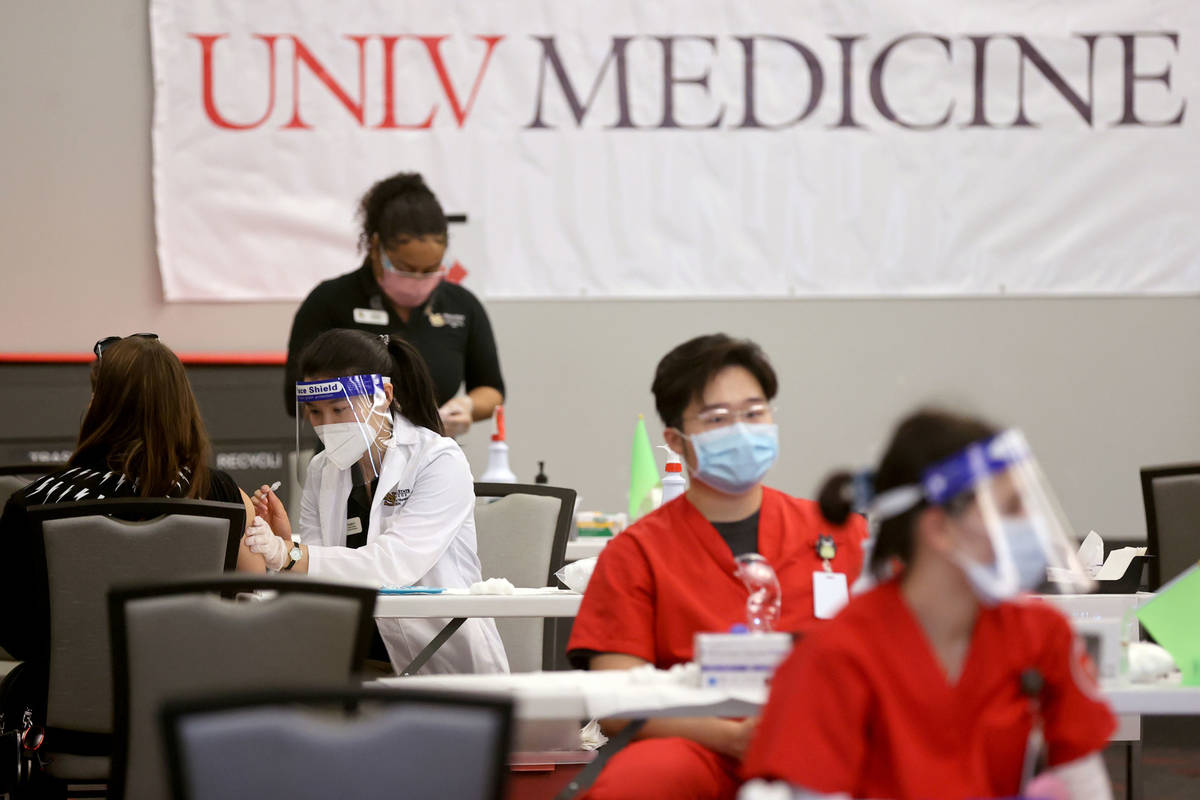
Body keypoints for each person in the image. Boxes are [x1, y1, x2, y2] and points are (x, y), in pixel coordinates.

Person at [741, 409, 1115, 800]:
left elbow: (1083, 780)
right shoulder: (836, 656)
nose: (1030, 525)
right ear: (939, 529)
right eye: (1010, 509)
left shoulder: (1041, 635)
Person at [566, 334, 867, 800]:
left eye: (754, 412)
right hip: (698, 744)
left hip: (827, 740)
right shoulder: (637, 552)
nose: (742, 430)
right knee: (636, 783)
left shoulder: (839, 532)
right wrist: (731, 737)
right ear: (675, 440)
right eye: (718, 419)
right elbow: (615, 700)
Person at [0, 335, 265, 714]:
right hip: (189, 714)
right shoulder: (215, 492)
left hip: (61, 713)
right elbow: (247, 592)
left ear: (97, 405)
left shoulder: (33, 503)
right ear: (183, 407)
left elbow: (15, 635)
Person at [249, 328, 508, 674]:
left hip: (437, 658)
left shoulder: (438, 459)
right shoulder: (322, 468)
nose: (327, 425)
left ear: (383, 395)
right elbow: (320, 574)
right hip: (352, 656)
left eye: (339, 409)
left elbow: (394, 566)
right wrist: (284, 545)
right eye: (314, 412)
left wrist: (290, 554)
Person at [283, 172, 504, 437]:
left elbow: (491, 389)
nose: (418, 279)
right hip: (350, 454)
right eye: (406, 268)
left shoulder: (462, 305)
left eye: (431, 270)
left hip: (432, 453)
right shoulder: (330, 300)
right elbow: (295, 398)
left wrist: (466, 405)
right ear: (376, 248)